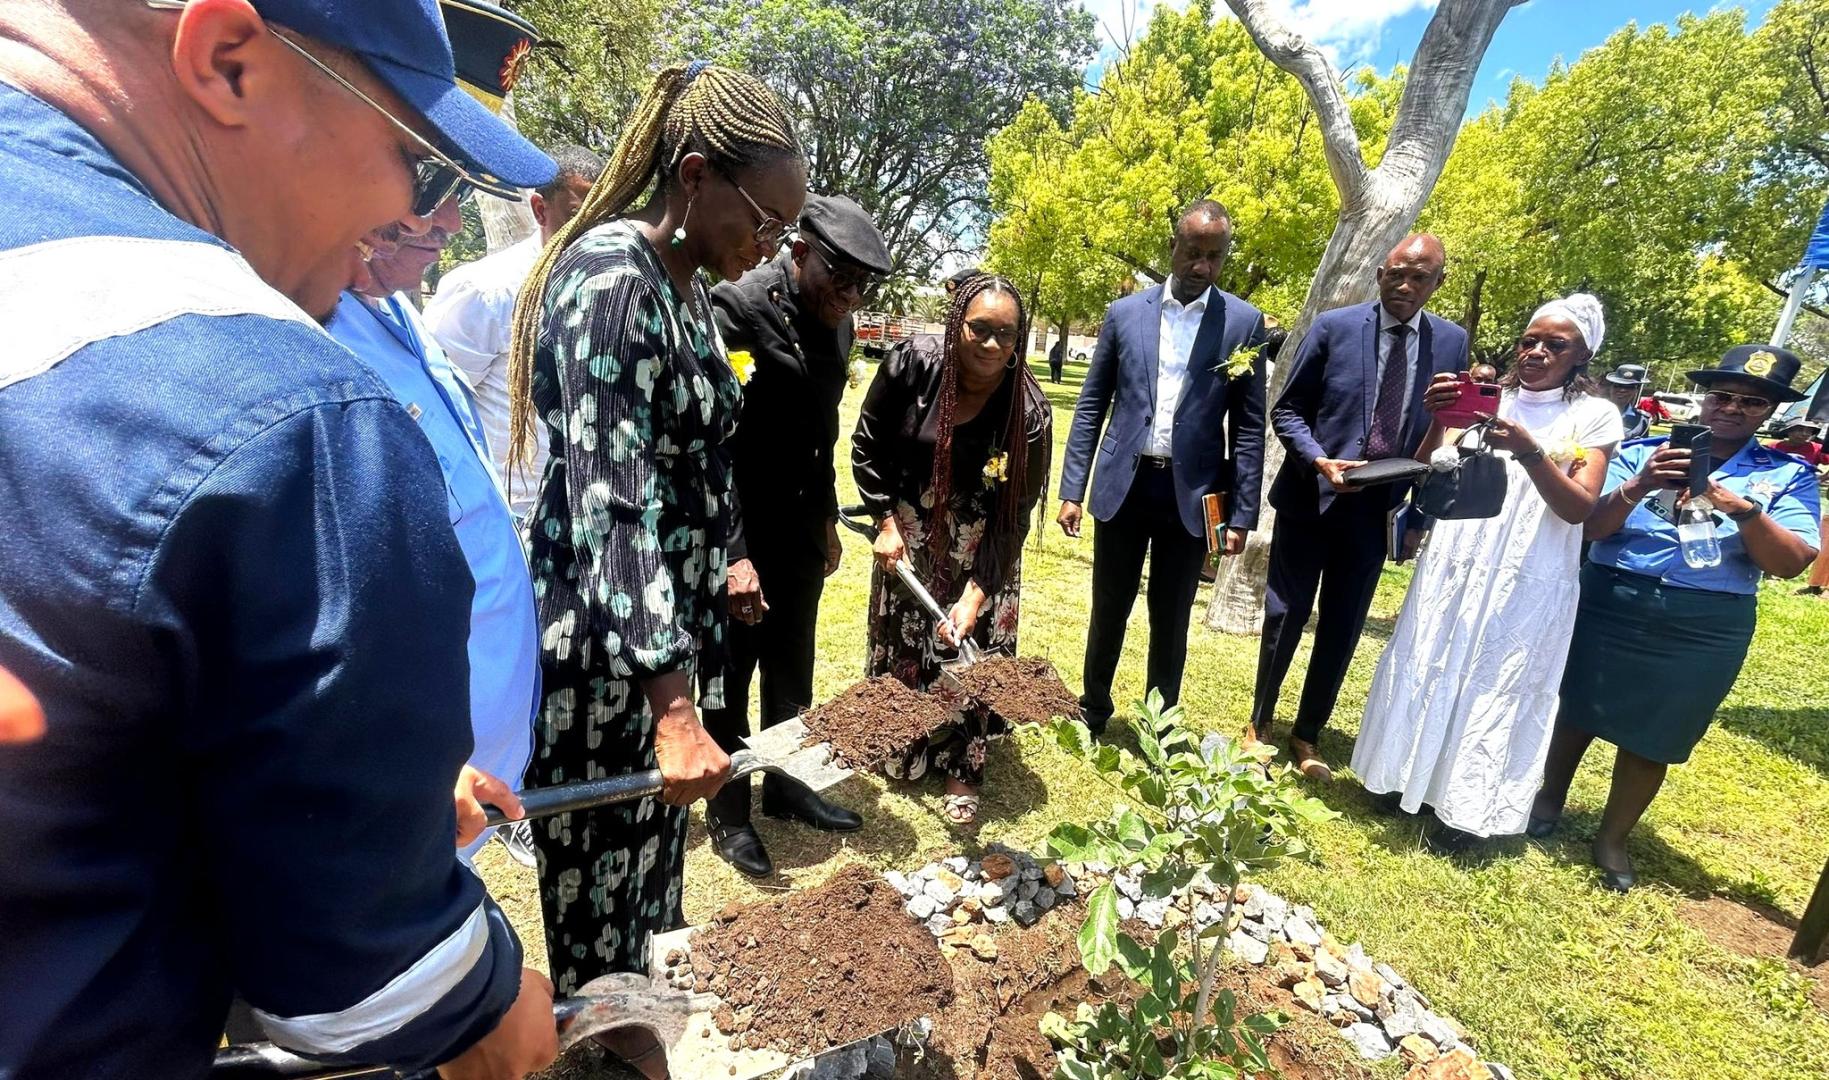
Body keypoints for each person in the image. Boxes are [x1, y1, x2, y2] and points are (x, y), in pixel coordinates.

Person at [0, 1, 560, 1078]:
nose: (410, 206)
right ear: (228, 60)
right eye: (411, 156)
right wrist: (494, 1003)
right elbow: (373, 996)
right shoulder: (277, 406)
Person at [503, 61, 806, 999]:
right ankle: (607, 1038)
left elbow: (700, 459)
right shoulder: (610, 281)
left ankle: (641, 1027)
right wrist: (674, 707)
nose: (770, 243)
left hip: (665, 631)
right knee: (601, 880)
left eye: (784, 229)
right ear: (694, 175)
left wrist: (731, 553)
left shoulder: (684, 290)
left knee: (650, 866)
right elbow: (611, 503)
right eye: (762, 218)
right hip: (607, 653)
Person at [1532, 345, 1822, 892]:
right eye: (1722, 395)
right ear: (1704, 399)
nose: (1732, 409)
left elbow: (1790, 563)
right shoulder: (1643, 451)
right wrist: (1638, 485)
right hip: (1610, 599)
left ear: (1769, 412)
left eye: (1751, 402)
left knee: (1657, 733)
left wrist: (1741, 508)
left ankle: (1612, 837)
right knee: (1574, 708)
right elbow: (1589, 527)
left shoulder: (1787, 474)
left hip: (1702, 622)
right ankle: (1547, 800)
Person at [1352, 295, 1623, 848]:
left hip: (1529, 567)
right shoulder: (1489, 398)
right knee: (1432, 652)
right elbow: (1430, 469)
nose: (1538, 352)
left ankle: (1465, 805)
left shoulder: (1594, 416)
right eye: (1530, 340)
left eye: (1556, 344)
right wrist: (1437, 420)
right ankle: (1397, 776)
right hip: (1460, 553)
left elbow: (1579, 509)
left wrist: (1529, 452)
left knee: (1497, 675)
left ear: (1581, 355)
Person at [701, 194, 891, 877]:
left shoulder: (835, 322)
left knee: (790, 673)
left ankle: (786, 787)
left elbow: (821, 433)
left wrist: (826, 520)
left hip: (800, 535)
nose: (851, 294)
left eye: (864, 284)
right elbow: (712, 445)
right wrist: (732, 554)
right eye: (840, 276)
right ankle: (728, 814)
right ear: (799, 250)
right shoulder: (736, 309)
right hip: (741, 533)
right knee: (731, 673)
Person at [1250, 234, 1468, 778]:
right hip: (1313, 499)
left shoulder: (1452, 343)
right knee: (1285, 614)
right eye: (1396, 272)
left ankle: (1308, 735)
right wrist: (1321, 461)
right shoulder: (1335, 327)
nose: (1405, 284)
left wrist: (1418, 512)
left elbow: (1446, 434)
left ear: (1438, 283)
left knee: (1344, 625)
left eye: (1420, 276)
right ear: (1379, 273)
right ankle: (1259, 723)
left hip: (1379, 512)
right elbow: (1289, 411)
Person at [1059, 200, 1268, 733]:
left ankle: (1160, 725)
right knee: (1110, 607)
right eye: (1193, 253)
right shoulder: (1124, 314)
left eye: (1214, 257)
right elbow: (1091, 405)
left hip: (1193, 497)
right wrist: (1072, 489)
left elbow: (1248, 428)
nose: (1202, 266)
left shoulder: (1243, 323)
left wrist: (1242, 514)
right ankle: (1093, 709)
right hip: (1123, 487)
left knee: (1171, 618)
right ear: (1173, 246)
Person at [853, 274, 1053, 824]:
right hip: (911, 536)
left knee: (975, 653)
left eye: (1006, 335)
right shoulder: (913, 364)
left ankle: (964, 763)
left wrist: (975, 594)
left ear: (1020, 339)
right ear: (956, 321)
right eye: (980, 328)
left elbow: (1014, 515)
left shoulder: (1028, 413)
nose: (991, 344)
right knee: (907, 644)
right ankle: (904, 741)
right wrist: (885, 521)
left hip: (984, 544)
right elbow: (866, 444)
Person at [425, 142, 606, 516]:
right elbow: (434, 408)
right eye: (576, 217)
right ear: (541, 210)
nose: (589, 233)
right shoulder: (488, 290)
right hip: (510, 515)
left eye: (600, 219)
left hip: (585, 513)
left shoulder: (607, 291)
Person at [1602, 362, 1651, 439]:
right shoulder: (1594, 411)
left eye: (1629, 387)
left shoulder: (1642, 420)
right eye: (1618, 385)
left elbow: (1642, 448)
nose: (1622, 390)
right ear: (1610, 387)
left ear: (1636, 390)